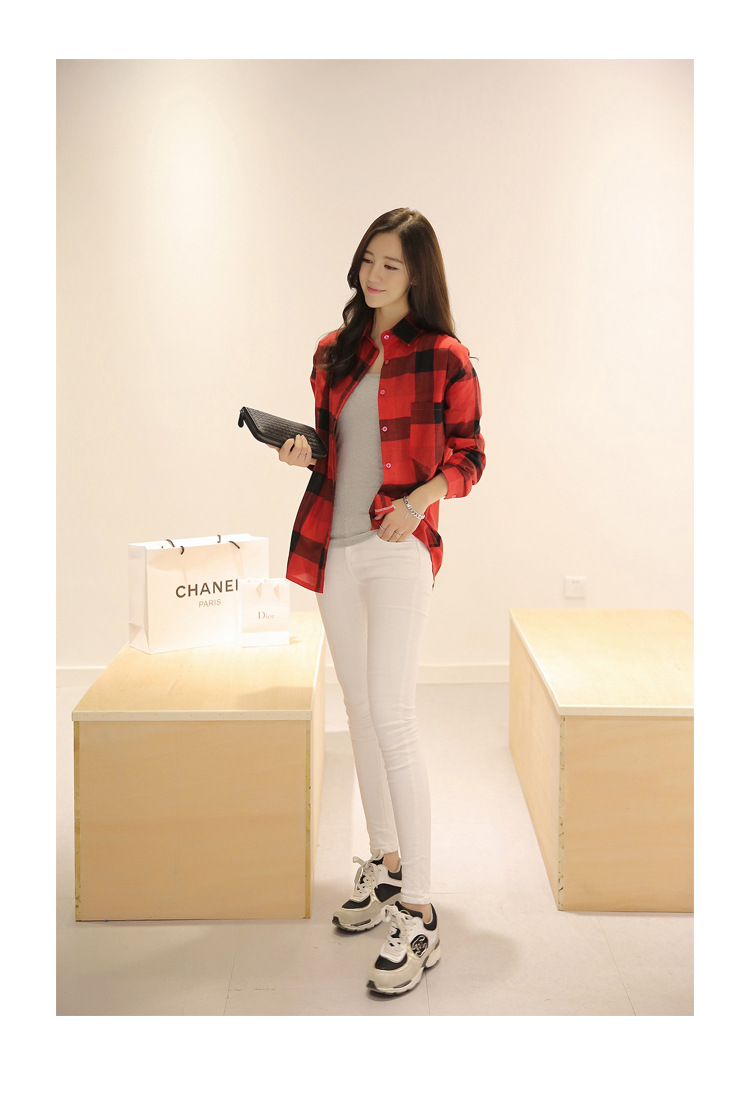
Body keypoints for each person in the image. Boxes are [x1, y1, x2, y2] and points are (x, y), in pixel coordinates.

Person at [271, 207, 485, 995]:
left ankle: (421, 912)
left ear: (418, 274)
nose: (374, 275)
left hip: (398, 547)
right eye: (368, 260)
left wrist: (419, 500)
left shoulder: (446, 357)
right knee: (358, 712)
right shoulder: (334, 351)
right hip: (335, 546)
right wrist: (304, 452)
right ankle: (388, 864)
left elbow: (470, 457)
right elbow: (337, 453)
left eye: (391, 265)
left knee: (392, 715)